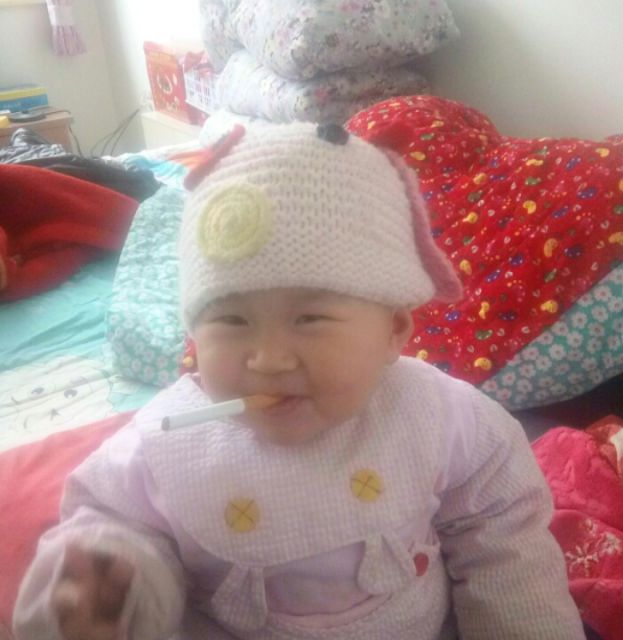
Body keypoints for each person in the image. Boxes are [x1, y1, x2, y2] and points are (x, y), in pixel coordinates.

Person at [13, 122, 586, 639]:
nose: (267, 359)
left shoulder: (439, 415)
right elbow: (110, 520)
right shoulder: (166, 443)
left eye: (309, 319)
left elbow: (503, 535)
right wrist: (110, 582)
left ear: (393, 329)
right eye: (231, 321)